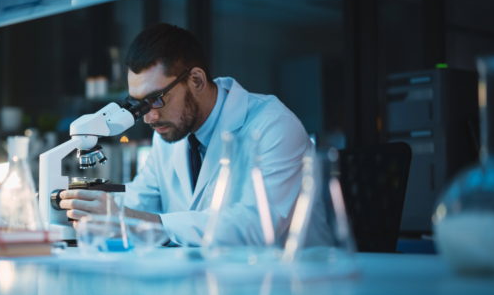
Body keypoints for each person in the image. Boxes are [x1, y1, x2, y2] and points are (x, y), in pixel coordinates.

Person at [59, 23, 312, 246]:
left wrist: (142, 221)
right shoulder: (168, 134)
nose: (148, 117)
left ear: (197, 81)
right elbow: (137, 201)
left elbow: (256, 227)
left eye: (155, 100)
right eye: (138, 104)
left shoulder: (274, 127)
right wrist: (84, 205)